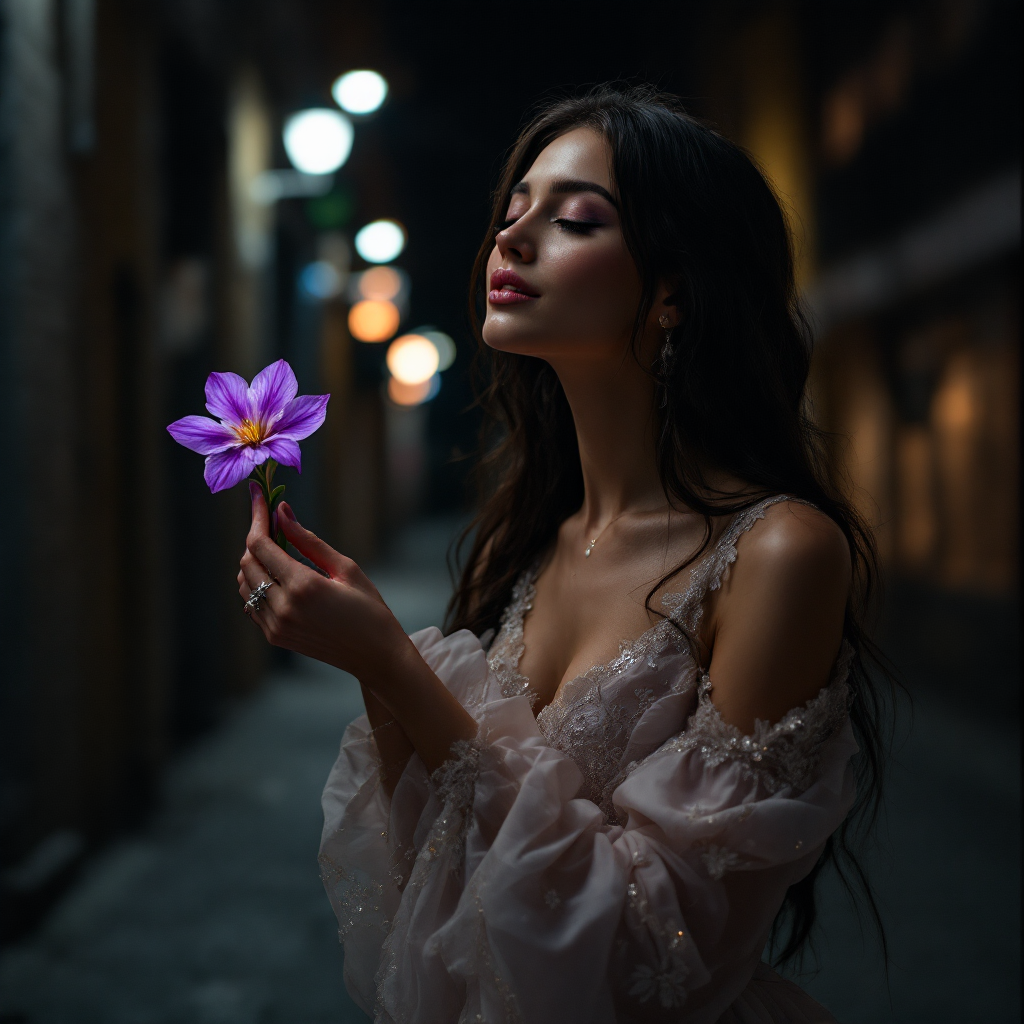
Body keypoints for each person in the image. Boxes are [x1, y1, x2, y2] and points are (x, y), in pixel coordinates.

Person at [237, 85, 890, 1023]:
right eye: (513, 213)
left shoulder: (779, 554)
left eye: (576, 219)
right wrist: (371, 666)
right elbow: (437, 876)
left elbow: (659, 953)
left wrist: (393, 661)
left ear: (673, 293)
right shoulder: (528, 537)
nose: (512, 238)